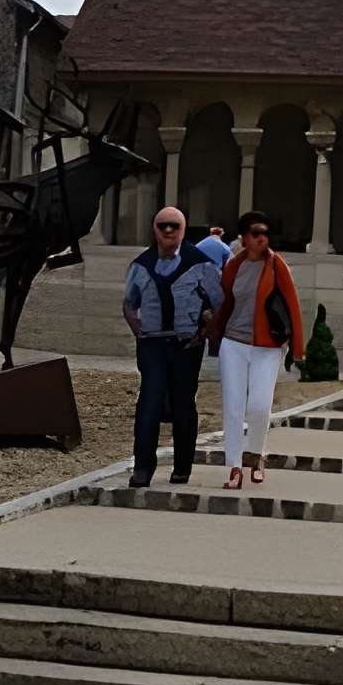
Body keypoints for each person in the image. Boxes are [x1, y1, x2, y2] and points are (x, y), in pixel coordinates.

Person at [122, 207, 222, 488]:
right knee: (149, 404)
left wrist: (205, 332)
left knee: (183, 404)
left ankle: (182, 468)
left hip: (186, 345)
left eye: (174, 226)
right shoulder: (140, 265)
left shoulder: (201, 264)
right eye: (163, 225)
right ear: (154, 229)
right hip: (152, 344)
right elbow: (129, 303)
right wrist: (138, 331)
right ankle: (143, 469)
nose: (168, 230)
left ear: (183, 229)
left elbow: (220, 302)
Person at [206, 210, 302, 488]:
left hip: (267, 345)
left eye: (265, 233)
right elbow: (227, 302)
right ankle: (234, 466)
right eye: (256, 233)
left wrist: (298, 347)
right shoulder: (234, 266)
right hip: (233, 343)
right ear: (244, 238)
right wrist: (213, 329)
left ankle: (256, 456)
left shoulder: (276, 265)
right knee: (233, 407)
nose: (262, 238)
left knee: (259, 406)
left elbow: (292, 304)